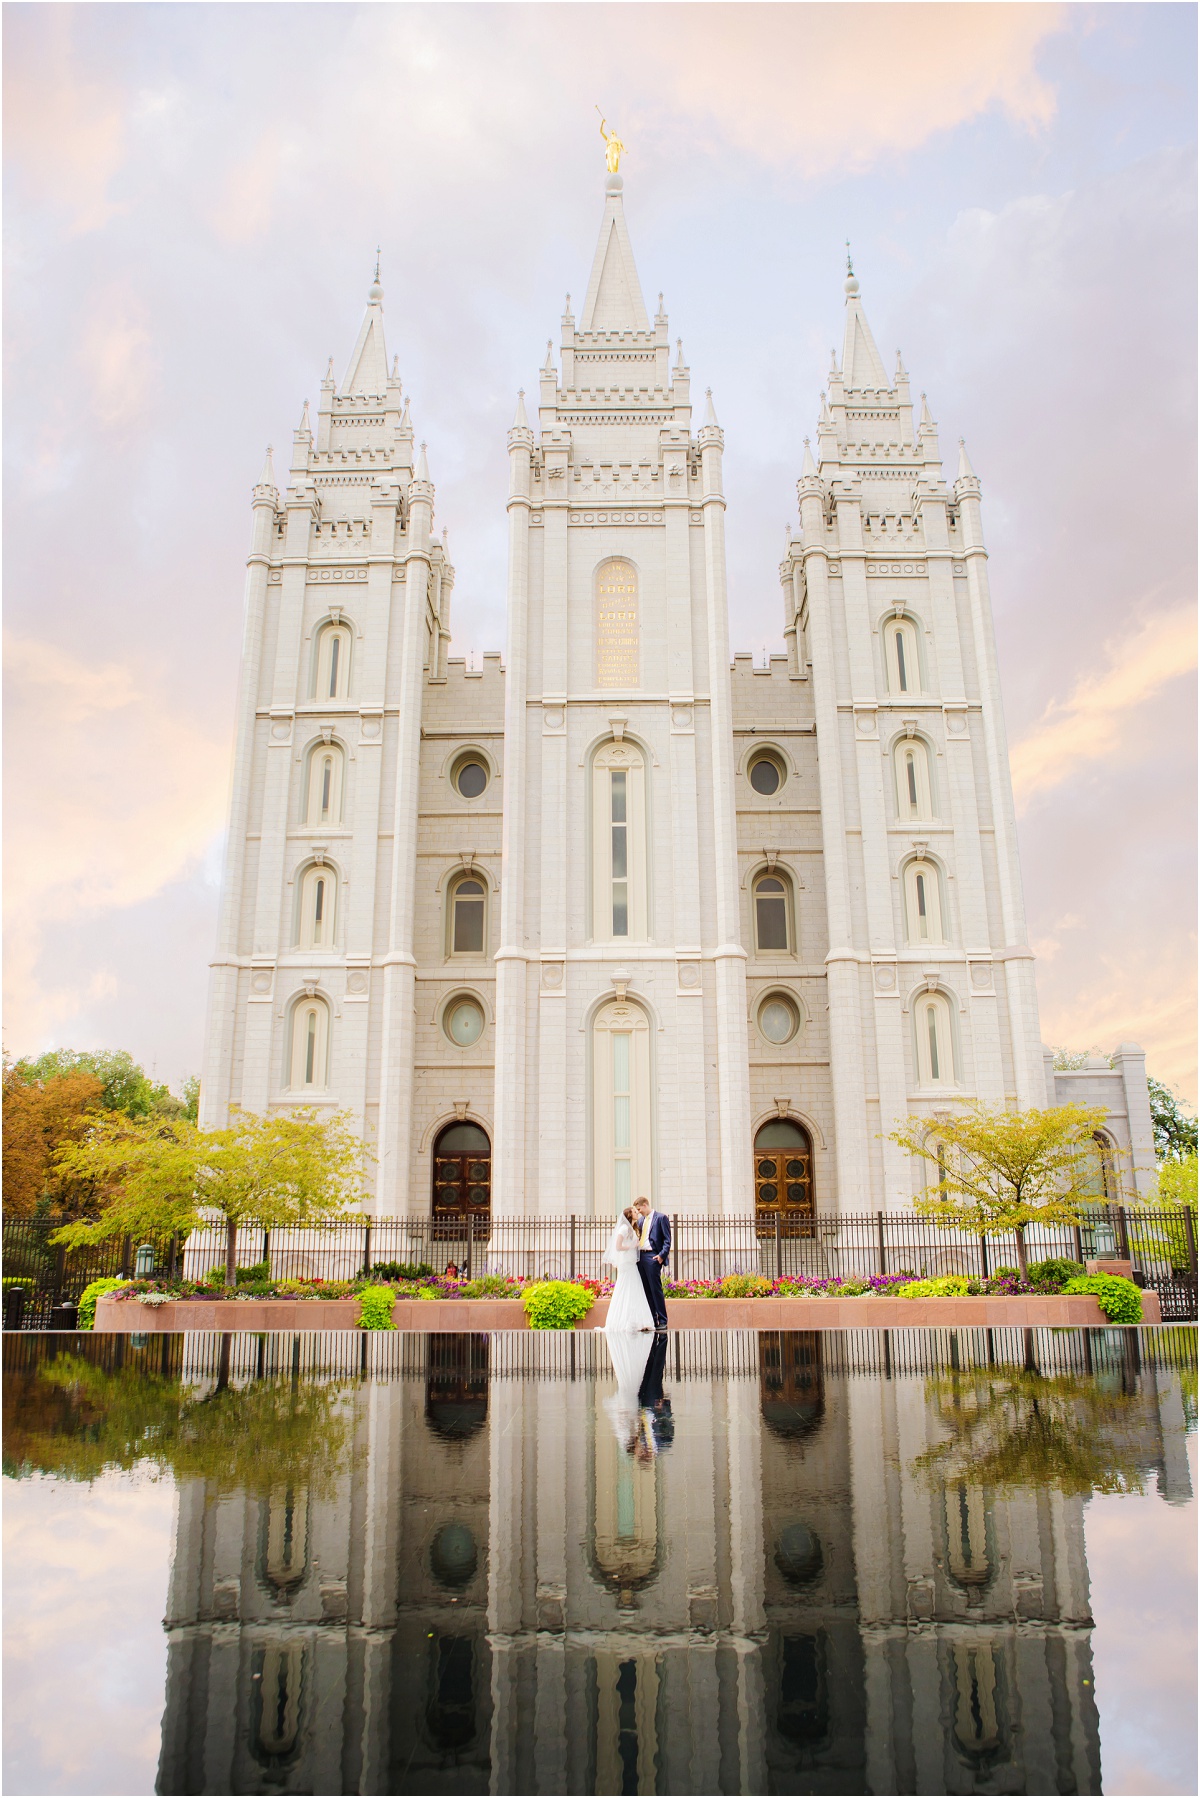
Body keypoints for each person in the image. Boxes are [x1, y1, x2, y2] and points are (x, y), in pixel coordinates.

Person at [602, 1207, 654, 1333]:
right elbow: (618, 1246)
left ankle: (636, 1320)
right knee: (625, 1289)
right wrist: (632, 1246)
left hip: (631, 1263)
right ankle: (624, 1321)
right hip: (626, 1264)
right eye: (635, 1212)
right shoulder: (624, 1228)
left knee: (634, 1290)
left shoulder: (632, 1228)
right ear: (630, 1214)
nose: (638, 1213)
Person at [633, 1196, 671, 1331]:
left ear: (645, 1205)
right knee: (646, 1291)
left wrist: (661, 1256)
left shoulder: (661, 1218)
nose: (638, 1212)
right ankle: (652, 1320)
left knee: (655, 1290)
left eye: (639, 1209)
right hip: (641, 1258)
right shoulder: (641, 1221)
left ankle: (662, 1320)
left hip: (652, 1257)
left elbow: (667, 1240)